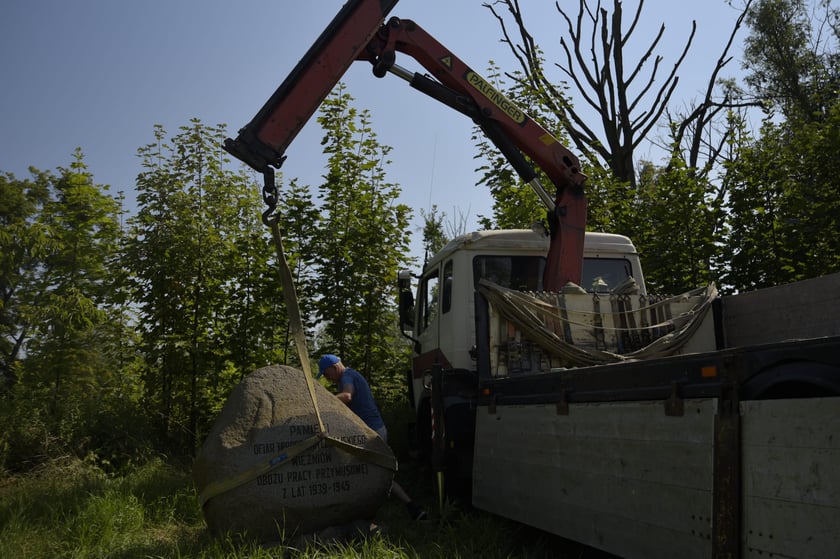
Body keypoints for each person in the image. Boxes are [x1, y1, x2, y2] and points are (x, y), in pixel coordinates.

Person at [318, 354, 427, 521]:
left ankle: (382, 512)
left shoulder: (347, 376)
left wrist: (323, 402)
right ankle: (412, 508)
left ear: (334, 367)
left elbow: (347, 396)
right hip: (373, 431)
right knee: (377, 472)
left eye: (326, 374)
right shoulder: (350, 375)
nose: (327, 378)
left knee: (370, 473)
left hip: (373, 433)